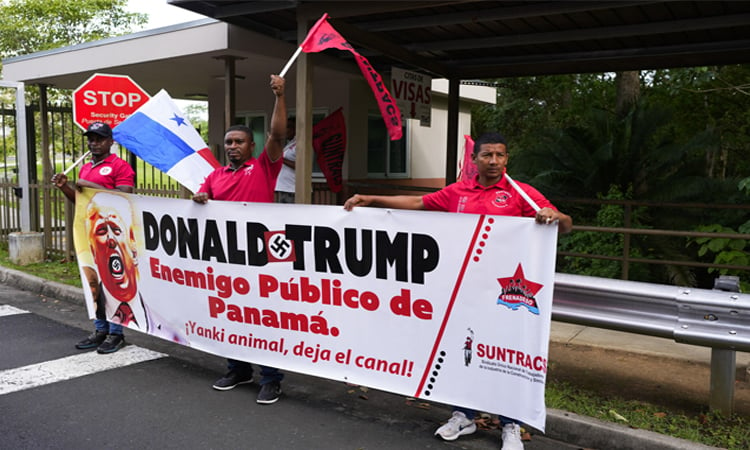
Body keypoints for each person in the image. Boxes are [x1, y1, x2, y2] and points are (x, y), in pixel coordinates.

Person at [344, 131, 572, 450]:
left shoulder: (521, 193)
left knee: (502, 355)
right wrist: (372, 200)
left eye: (500, 155)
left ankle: (510, 424)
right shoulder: (459, 191)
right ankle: (464, 415)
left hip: (506, 296)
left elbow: (565, 224)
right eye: (487, 155)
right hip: (463, 289)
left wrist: (553, 215)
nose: (494, 161)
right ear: (475, 159)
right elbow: (418, 202)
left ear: (507, 159)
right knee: (463, 353)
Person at [192, 74, 288, 405]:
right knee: (231, 314)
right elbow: (202, 196)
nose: (232, 146)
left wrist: (280, 96)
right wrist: (201, 197)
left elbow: (278, 133)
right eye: (229, 142)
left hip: (261, 257)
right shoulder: (215, 175)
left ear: (252, 146)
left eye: (239, 141)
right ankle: (238, 369)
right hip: (226, 258)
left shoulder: (265, 167)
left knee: (264, 317)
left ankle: (272, 377)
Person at [51, 121, 135, 354]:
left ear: (110, 142)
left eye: (100, 139)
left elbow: (125, 196)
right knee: (94, 283)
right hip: (91, 232)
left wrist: (90, 185)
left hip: (114, 234)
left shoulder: (120, 166)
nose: (94, 143)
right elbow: (80, 200)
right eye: (91, 139)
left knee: (114, 282)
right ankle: (100, 330)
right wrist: (65, 187)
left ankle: (116, 333)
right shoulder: (86, 167)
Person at [82, 191, 187, 345]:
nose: (111, 240)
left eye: (116, 230)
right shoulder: (87, 170)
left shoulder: (170, 330)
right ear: (93, 251)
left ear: (133, 246)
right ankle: (101, 330)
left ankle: (115, 334)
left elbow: (125, 189)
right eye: (102, 231)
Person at [274, 117, 297, 203]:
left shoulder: (300, 144)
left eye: (288, 127)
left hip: (292, 188)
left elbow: (300, 166)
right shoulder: (289, 143)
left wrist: (281, 159)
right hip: (284, 186)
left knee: (291, 215)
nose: (285, 131)